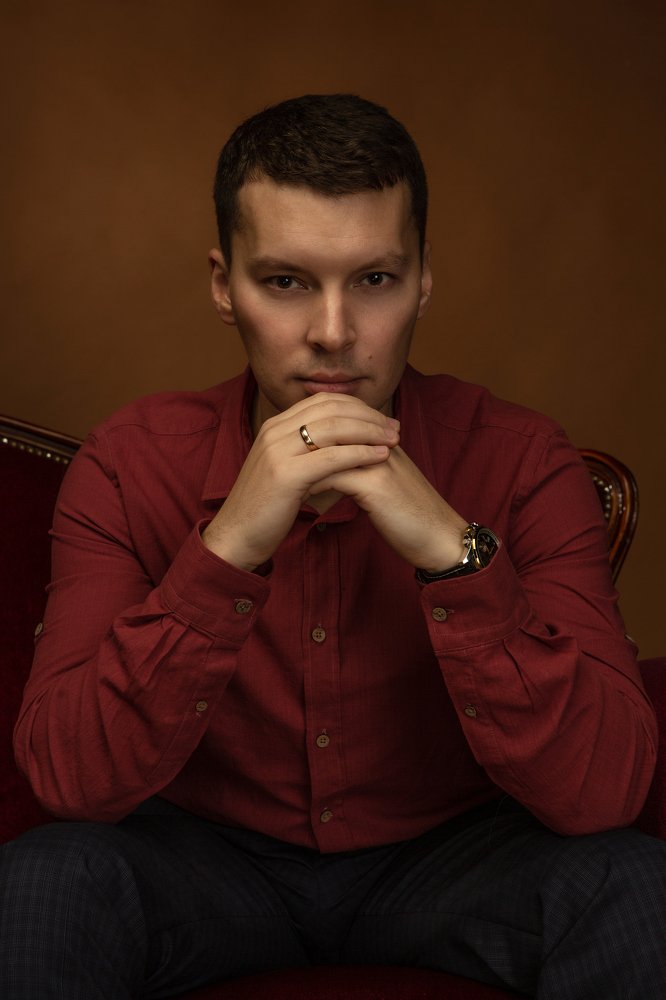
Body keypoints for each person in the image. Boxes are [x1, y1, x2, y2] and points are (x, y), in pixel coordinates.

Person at [1, 93, 665, 999]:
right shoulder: (128, 464)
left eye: (375, 279)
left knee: (633, 881)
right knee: (46, 878)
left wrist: (453, 550)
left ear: (423, 279)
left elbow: (607, 792)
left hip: (450, 860)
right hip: (207, 865)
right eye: (285, 282)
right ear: (223, 286)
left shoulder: (523, 460)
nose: (333, 333)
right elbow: (69, 780)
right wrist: (228, 546)